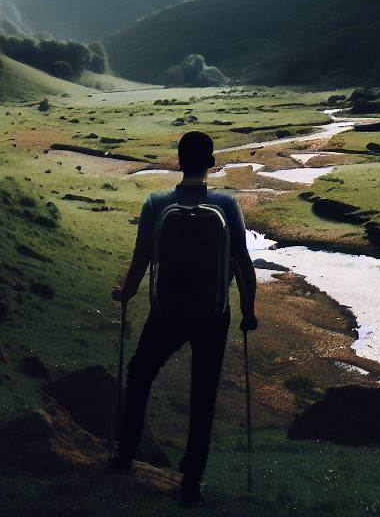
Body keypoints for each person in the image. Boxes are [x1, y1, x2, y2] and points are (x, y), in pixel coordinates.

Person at [111, 130, 258, 506]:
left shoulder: (156, 203)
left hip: (166, 312)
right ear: (211, 163)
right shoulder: (226, 204)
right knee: (203, 395)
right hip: (213, 314)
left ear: (178, 161)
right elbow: (242, 262)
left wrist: (125, 294)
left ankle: (125, 452)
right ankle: (191, 481)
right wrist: (249, 311)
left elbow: (141, 260)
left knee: (140, 373)